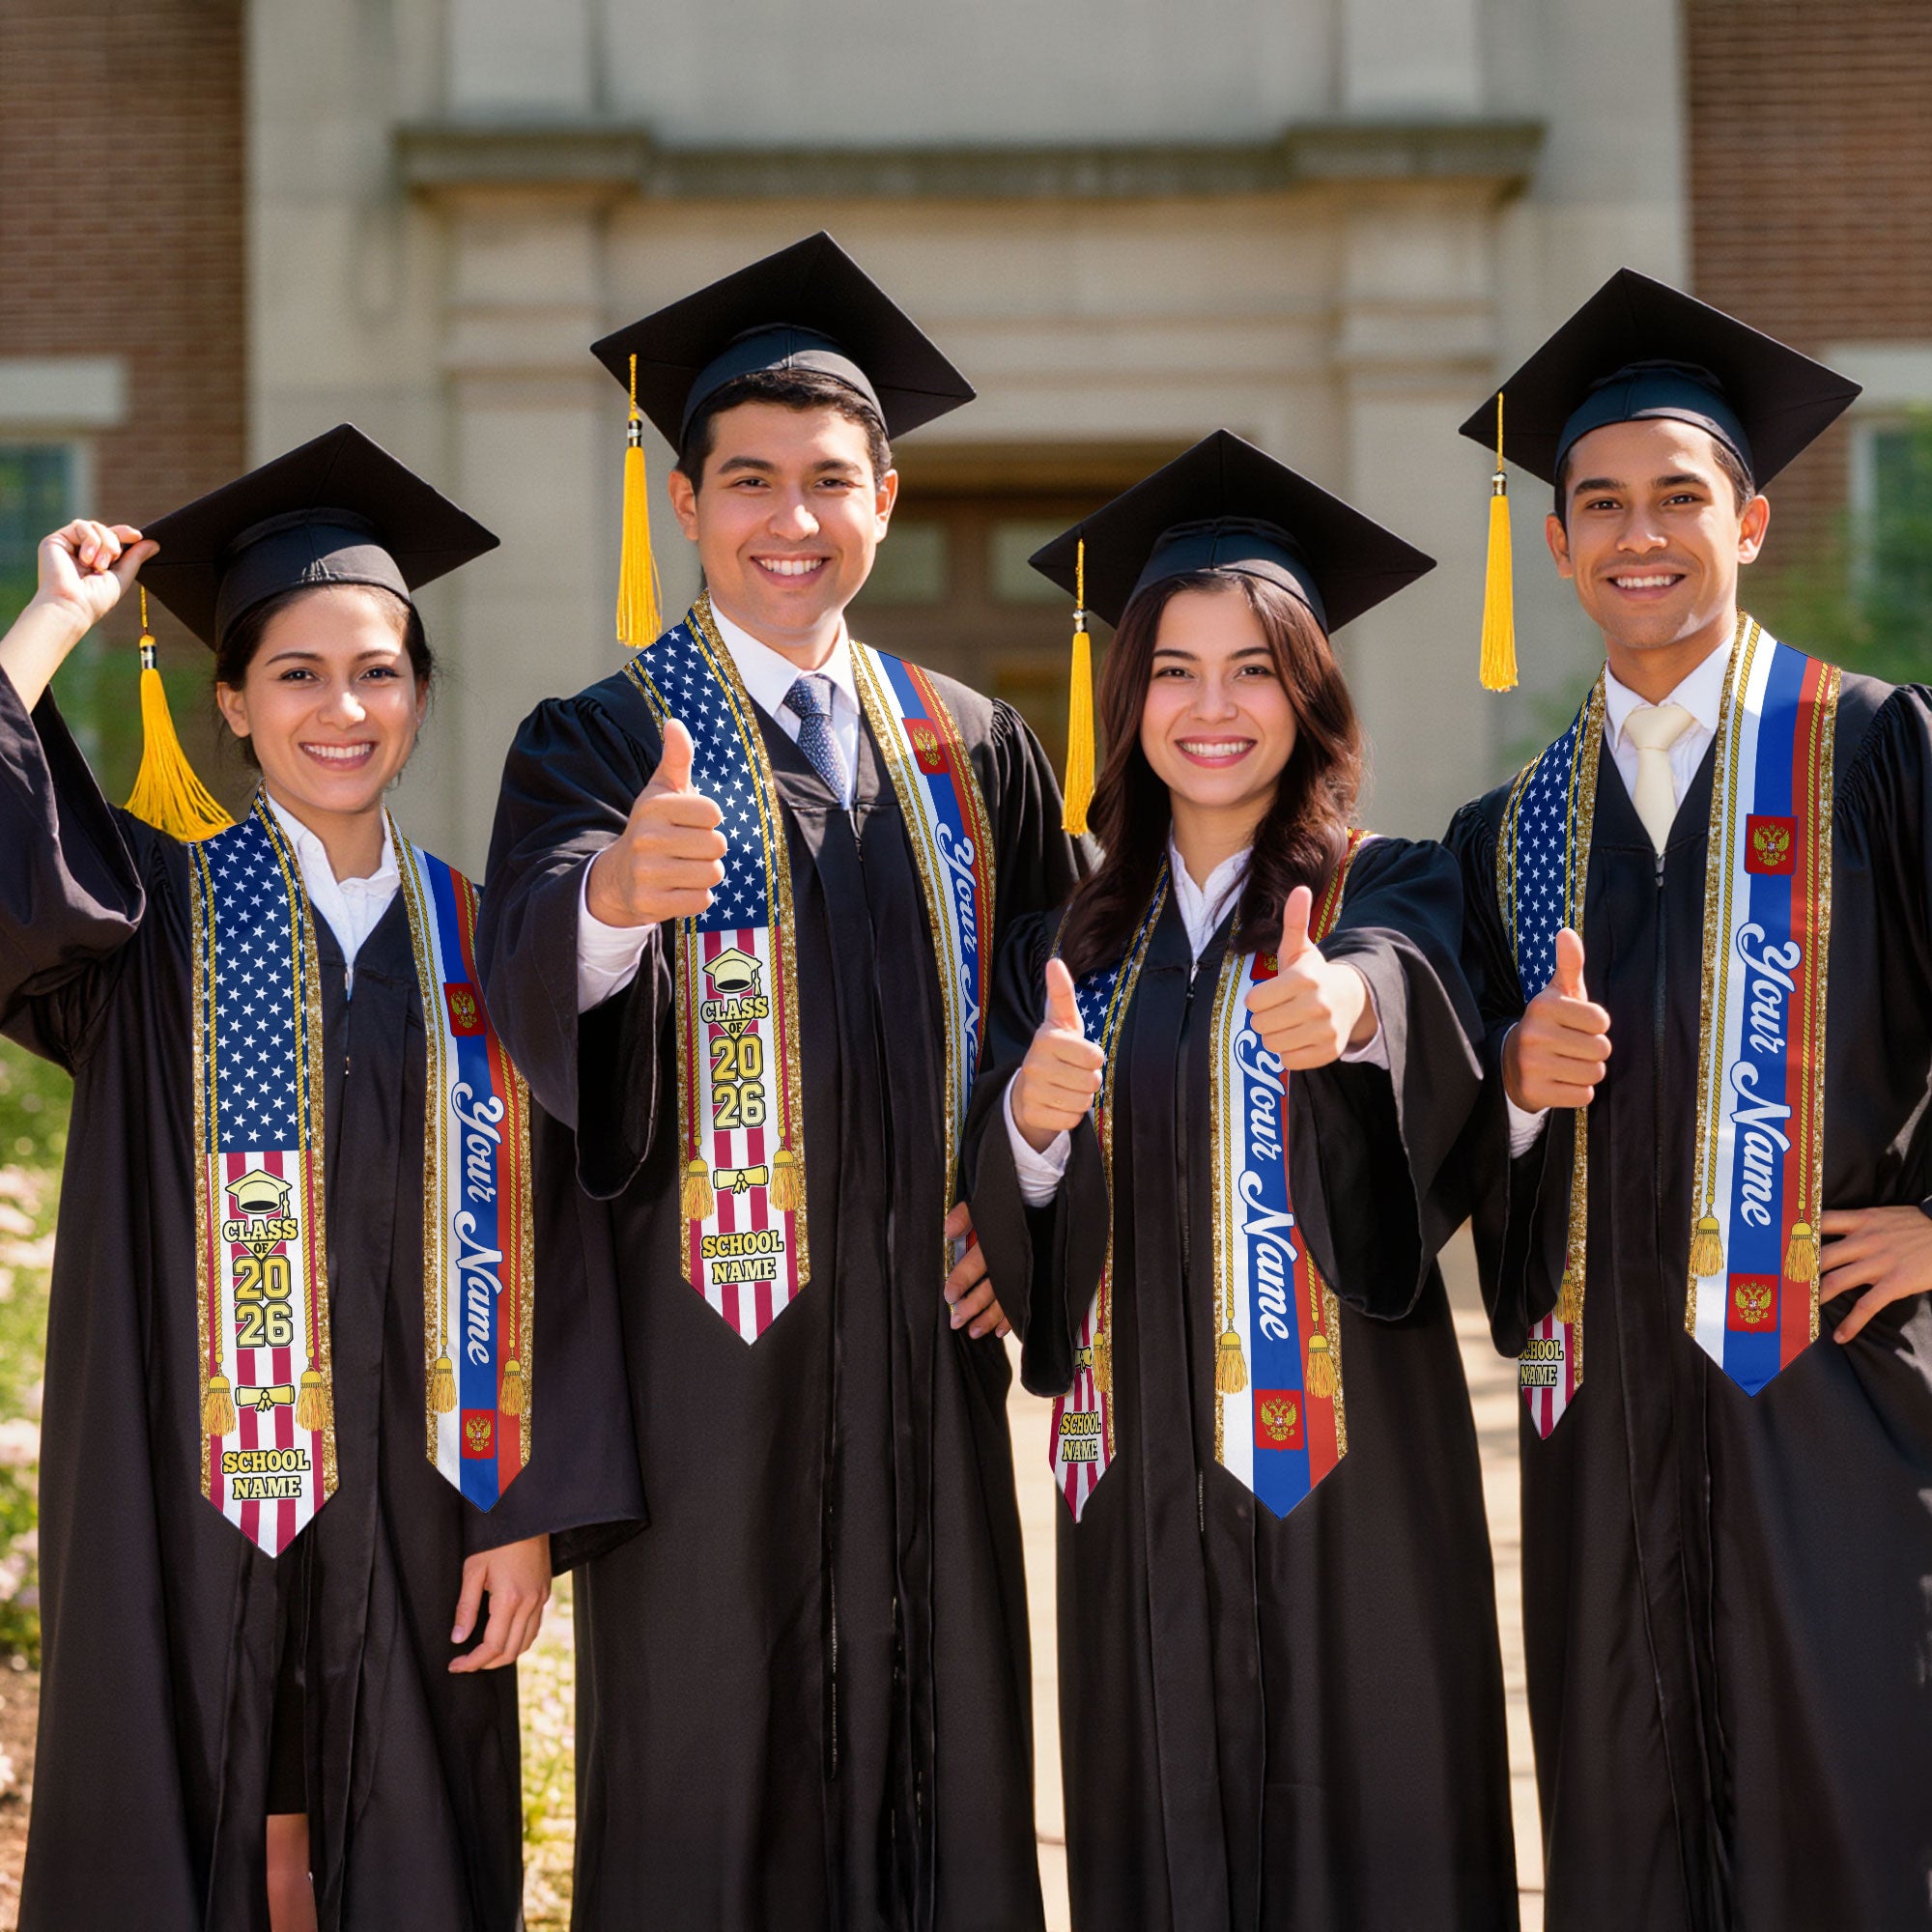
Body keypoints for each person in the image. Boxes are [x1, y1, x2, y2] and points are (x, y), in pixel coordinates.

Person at [476, 233, 1084, 1931]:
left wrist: (1021, 1197)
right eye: (749, 481)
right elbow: (531, 984)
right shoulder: (597, 740)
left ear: (886, 497)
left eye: (831, 481)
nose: (790, 519)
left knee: (943, 1767)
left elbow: (1073, 1006)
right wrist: (609, 901)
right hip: (705, 1376)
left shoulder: (976, 747)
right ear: (686, 503)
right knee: (709, 1783)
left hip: (925, 1365)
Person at [0, 425, 641, 1932]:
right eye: (295, 673)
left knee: (408, 1832)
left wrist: (526, 1508)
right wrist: (51, 624)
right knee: (193, 1805)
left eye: (378, 671)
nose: (340, 708)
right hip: (184, 1481)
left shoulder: (493, 940)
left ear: (419, 694)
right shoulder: (143, 915)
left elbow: (565, 1237)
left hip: (428, 1498)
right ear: (230, 702)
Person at [964, 431, 1518, 1930]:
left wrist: (1349, 1013)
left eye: (1256, 669)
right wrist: (1026, 1118)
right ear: (1127, 696)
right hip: (1134, 1476)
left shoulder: (1388, 884)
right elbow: (1010, 1206)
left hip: (1355, 1478)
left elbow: (1413, 990)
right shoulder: (1063, 945)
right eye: (1175, 670)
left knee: (1378, 1829)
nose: (1214, 709)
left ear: (1311, 692)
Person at [1446, 270, 1932, 1931]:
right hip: (1603, 1429)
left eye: (1677, 497)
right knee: (1625, 1826)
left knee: (1856, 1811)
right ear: (1562, 543)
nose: (1637, 534)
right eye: (1599, 504)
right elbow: (1448, 1141)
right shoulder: (1509, 833)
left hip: (1837, 1404)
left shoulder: (1874, 752)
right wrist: (1511, 1089)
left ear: (1752, 519)